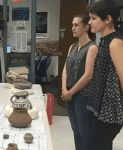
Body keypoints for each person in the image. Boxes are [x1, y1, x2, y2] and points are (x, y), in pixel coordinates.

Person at [86, 0, 123, 149]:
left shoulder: (115, 42)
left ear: (107, 19)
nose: (89, 22)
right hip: (98, 107)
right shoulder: (104, 41)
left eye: (93, 18)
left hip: (110, 112)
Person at [61, 13, 98, 150]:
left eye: (76, 25)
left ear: (86, 27)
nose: (72, 28)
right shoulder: (72, 46)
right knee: (75, 129)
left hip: (82, 95)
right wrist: (65, 90)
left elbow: (88, 75)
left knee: (84, 130)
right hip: (69, 93)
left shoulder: (92, 48)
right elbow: (65, 69)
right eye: (72, 25)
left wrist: (71, 92)